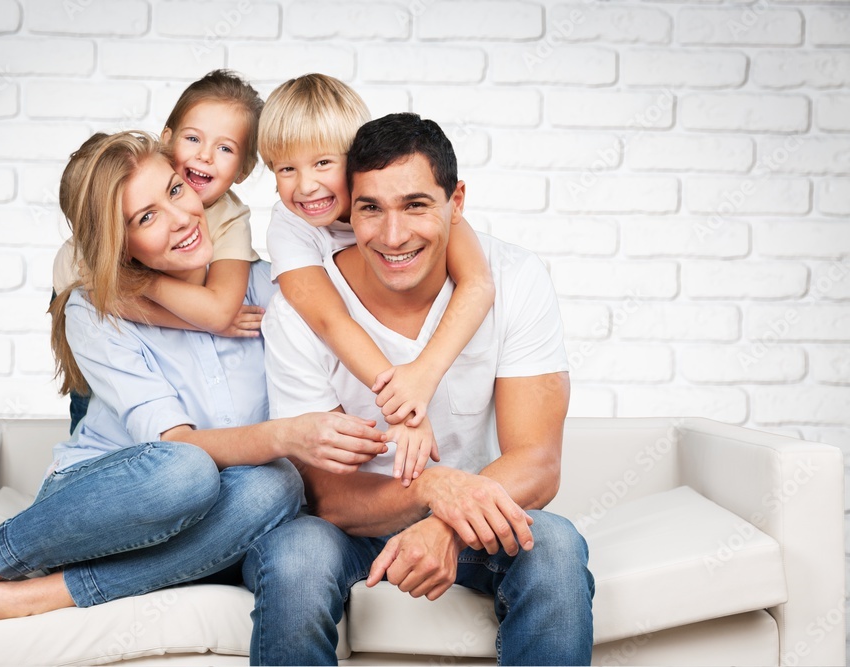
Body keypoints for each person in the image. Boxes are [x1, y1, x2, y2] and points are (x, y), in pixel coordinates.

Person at [0, 131, 388, 661]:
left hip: (228, 519)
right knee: (186, 470)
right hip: (108, 505)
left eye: (176, 191)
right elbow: (181, 445)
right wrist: (283, 435)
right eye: (145, 218)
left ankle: (31, 599)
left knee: (276, 486)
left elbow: (373, 265)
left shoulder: (272, 287)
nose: (180, 218)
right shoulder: (96, 311)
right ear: (118, 241)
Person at [244, 113, 595, 666]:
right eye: (371, 208)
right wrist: (432, 490)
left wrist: (446, 527)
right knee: (296, 554)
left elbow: (538, 461)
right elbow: (329, 498)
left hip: (475, 518)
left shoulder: (516, 277)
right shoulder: (298, 311)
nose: (393, 235)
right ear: (346, 208)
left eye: (415, 205)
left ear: (456, 202)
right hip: (356, 526)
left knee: (552, 546)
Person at [258, 74, 496, 485]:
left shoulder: (412, 198)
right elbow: (330, 319)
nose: (306, 185)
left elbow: (478, 284)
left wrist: (422, 376)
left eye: (323, 163)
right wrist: (403, 406)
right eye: (286, 169)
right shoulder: (289, 227)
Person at [53, 69, 266, 432]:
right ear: (167, 141)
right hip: (107, 350)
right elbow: (95, 298)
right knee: (95, 410)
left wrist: (141, 283)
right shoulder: (101, 227)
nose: (205, 156)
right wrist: (144, 287)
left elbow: (218, 312)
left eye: (225, 148)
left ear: (244, 170)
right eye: (193, 138)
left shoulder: (229, 217)